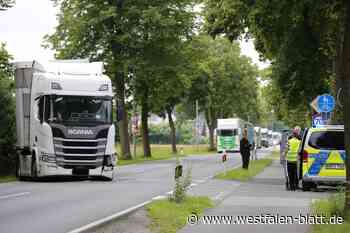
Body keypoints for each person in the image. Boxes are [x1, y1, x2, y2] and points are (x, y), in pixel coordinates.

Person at [285, 126, 302, 191]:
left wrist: (284, 155)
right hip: (296, 159)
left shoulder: (289, 139)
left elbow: (287, 148)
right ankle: (295, 186)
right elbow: (300, 149)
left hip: (289, 159)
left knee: (290, 173)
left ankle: (291, 186)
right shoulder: (300, 140)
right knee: (296, 173)